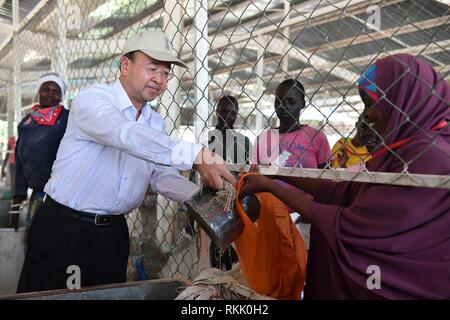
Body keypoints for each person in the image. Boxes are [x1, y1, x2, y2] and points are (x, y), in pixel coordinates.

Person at [16, 30, 236, 293]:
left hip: (112, 235)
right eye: (152, 68)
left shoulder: (154, 121)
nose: (159, 79)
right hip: (65, 229)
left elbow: (159, 176)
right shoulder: (93, 99)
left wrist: (207, 200)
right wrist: (197, 155)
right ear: (125, 65)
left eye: (166, 73)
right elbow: (124, 135)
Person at [239, 54, 450, 299]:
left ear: (401, 100)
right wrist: (274, 176)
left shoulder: (429, 157)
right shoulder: (409, 147)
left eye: (370, 103)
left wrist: (271, 186)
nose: (367, 115)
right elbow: (344, 191)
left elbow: (347, 222)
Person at [251, 79, 332, 249]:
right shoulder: (264, 139)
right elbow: (254, 175)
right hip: (271, 216)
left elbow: (327, 180)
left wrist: (311, 211)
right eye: (279, 101)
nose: (284, 106)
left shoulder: (316, 137)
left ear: (302, 103)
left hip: (306, 218)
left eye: (291, 101)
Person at [6, 73, 69, 231]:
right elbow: (20, 163)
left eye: (56, 91)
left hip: (64, 194)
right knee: (35, 240)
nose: (50, 94)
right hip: (39, 194)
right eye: (46, 89)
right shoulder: (28, 121)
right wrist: (16, 204)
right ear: (38, 92)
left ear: (61, 96)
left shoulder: (68, 118)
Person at [208, 95, 252, 270]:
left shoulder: (244, 142)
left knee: (235, 249)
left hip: (235, 200)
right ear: (217, 112)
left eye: (232, 113)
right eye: (224, 111)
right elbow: (196, 173)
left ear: (237, 115)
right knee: (214, 247)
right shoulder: (208, 138)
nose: (228, 116)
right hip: (212, 199)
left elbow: (248, 174)